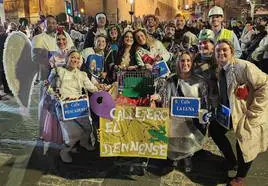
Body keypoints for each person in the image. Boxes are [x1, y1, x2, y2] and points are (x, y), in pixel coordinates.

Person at [209, 39, 268, 186]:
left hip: (246, 112)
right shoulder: (219, 69)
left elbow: (265, 84)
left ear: (231, 52)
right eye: (218, 51)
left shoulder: (243, 66)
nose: (221, 53)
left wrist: (255, 110)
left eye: (224, 50)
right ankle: (231, 161)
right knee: (215, 129)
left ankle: (240, 177)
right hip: (227, 112)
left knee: (243, 142)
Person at [153, 51, 209, 172]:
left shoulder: (199, 81)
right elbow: (163, 95)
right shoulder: (171, 80)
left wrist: (203, 117)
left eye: (188, 61)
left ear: (192, 63)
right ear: (178, 63)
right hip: (175, 119)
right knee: (174, 137)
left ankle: (188, 158)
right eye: (182, 60)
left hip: (192, 119)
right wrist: (157, 97)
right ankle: (174, 158)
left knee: (189, 139)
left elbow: (204, 101)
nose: (185, 63)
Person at [47, 50, 102, 163]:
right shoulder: (57, 71)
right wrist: (55, 95)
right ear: (67, 58)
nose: (75, 60)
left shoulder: (82, 74)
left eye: (77, 58)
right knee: (72, 134)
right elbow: (49, 88)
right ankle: (65, 151)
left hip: (80, 106)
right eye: (73, 57)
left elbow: (92, 88)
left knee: (88, 127)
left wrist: (101, 89)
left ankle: (84, 142)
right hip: (64, 107)